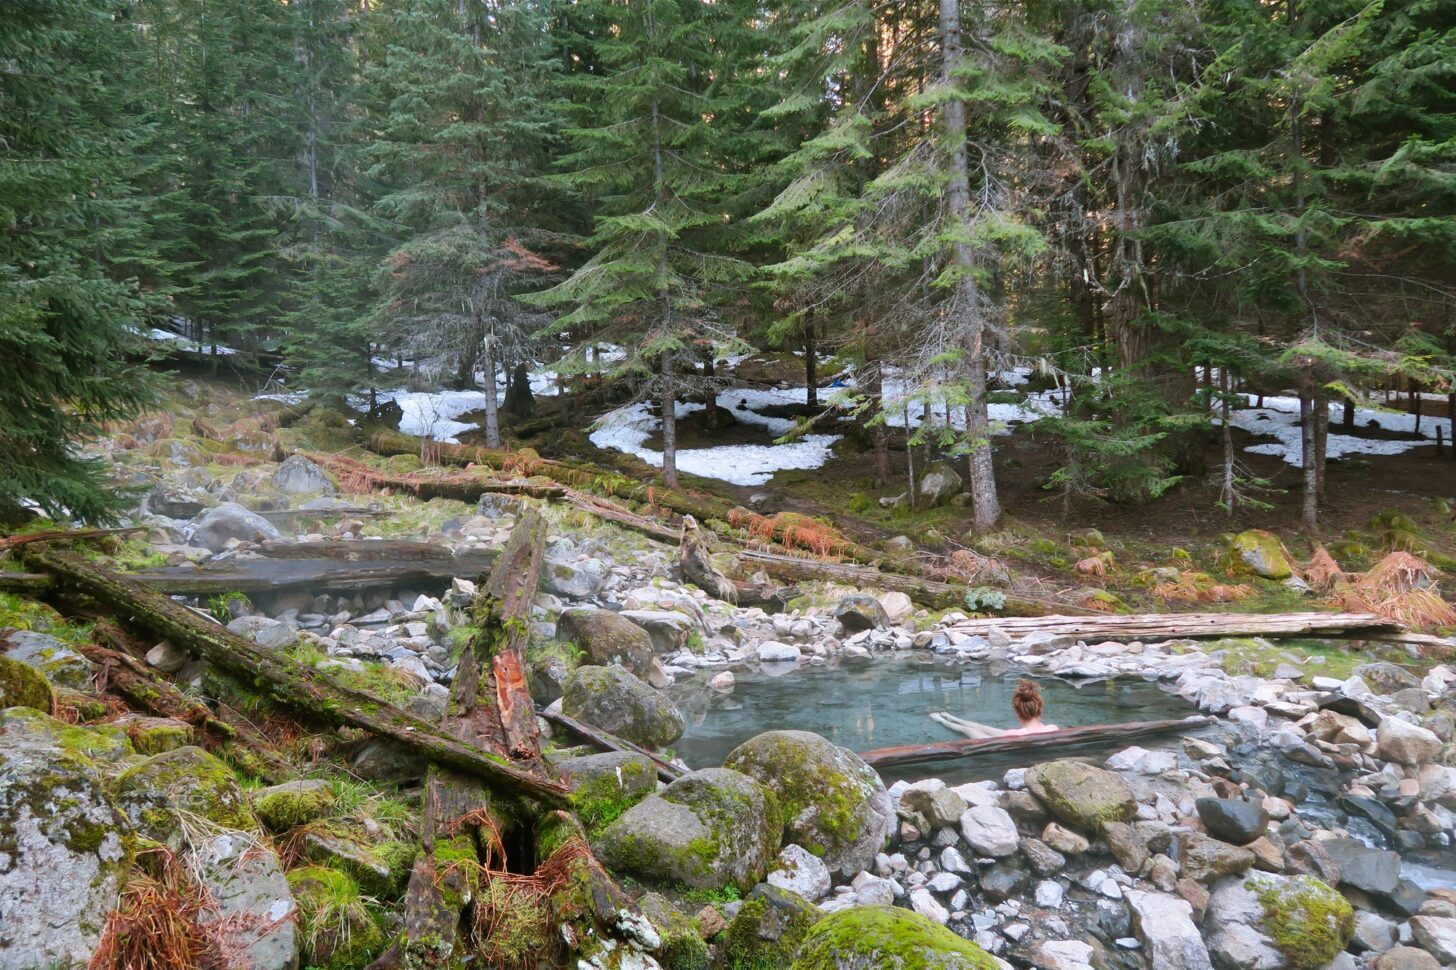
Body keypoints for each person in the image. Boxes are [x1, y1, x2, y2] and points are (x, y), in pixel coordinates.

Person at [930, 679, 1059, 739]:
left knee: (968, 729)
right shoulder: (1053, 728)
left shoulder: (1015, 734)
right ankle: (952, 718)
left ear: (1018, 713)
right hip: (1017, 735)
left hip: (1004, 740)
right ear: (1039, 709)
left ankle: (942, 720)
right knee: (981, 727)